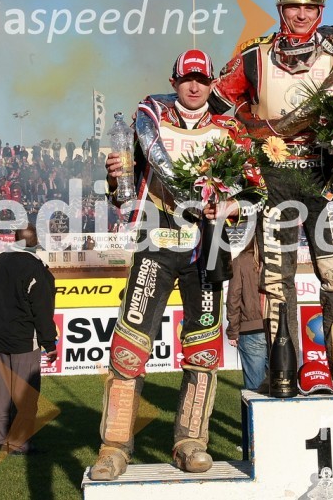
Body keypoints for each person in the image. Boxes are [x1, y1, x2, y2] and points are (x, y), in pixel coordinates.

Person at [90, 49, 256, 480]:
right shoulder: (151, 114)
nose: (195, 86)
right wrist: (113, 177)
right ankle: (113, 447)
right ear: (174, 79)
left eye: (202, 79)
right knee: (128, 351)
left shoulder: (228, 129)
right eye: (187, 79)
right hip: (155, 248)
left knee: (203, 351)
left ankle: (190, 442)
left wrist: (232, 206)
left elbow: (257, 190)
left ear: (211, 82)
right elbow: (123, 187)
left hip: (205, 253)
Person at [209, 0, 333, 391]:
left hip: (323, 177)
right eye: (293, 5)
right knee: (276, 280)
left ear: (322, 7)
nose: (301, 14)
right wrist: (253, 128)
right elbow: (217, 101)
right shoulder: (254, 54)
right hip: (273, 178)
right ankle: (285, 361)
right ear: (280, 6)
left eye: (309, 6)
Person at [0, 225, 57, 456]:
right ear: (35, 242)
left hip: (1, 338)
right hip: (25, 338)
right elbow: (42, 308)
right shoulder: (34, 267)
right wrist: (49, 343)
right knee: (25, 394)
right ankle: (19, 443)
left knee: (2, 393)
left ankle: (1, 438)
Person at [226, 238, 268, 390]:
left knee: (254, 390)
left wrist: (233, 331)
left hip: (252, 330)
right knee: (278, 388)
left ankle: (254, 415)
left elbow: (233, 298)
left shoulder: (242, 261)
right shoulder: (279, 259)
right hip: (277, 328)